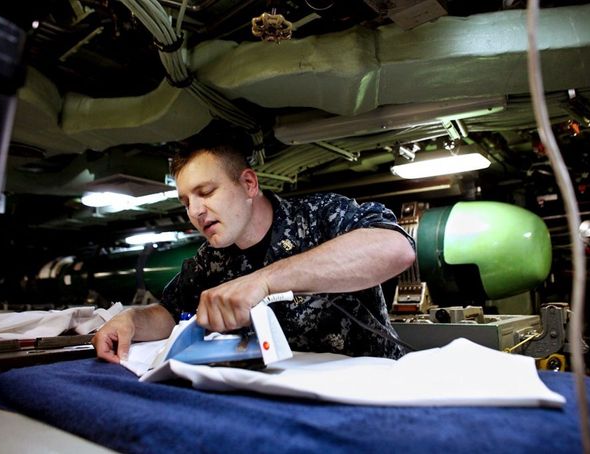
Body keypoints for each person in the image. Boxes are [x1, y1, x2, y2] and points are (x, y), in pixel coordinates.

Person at [92, 130, 416, 363]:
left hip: (374, 386)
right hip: (285, 398)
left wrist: (263, 280)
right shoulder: (210, 261)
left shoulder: (320, 215)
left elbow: (394, 248)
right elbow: (168, 312)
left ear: (249, 184)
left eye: (205, 192)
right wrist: (131, 321)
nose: (195, 211)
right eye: (186, 202)